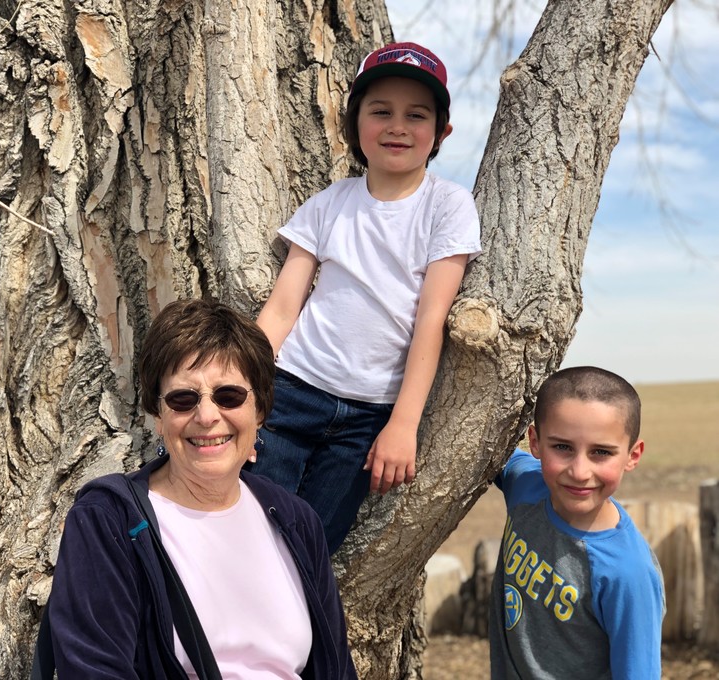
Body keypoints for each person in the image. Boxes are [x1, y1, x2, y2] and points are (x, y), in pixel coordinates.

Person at [250, 42, 482, 552]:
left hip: (369, 418)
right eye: (381, 111)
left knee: (310, 546)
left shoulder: (448, 205)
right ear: (354, 123)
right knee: (249, 527)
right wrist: (245, 393)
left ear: (441, 133)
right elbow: (284, 307)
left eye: (416, 115)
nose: (397, 125)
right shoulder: (330, 203)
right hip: (289, 391)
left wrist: (403, 423)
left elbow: (431, 321)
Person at [45, 299, 356, 679]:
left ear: (259, 410)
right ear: (159, 417)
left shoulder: (295, 520)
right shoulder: (109, 520)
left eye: (229, 396)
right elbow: (93, 669)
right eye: (182, 399)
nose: (207, 416)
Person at [490, 366, 665, 679]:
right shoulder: (526, 486)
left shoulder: (628, 573)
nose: (580, 471)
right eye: (562, 447)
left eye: (601, 452)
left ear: (632, 455)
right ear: (534, 442)